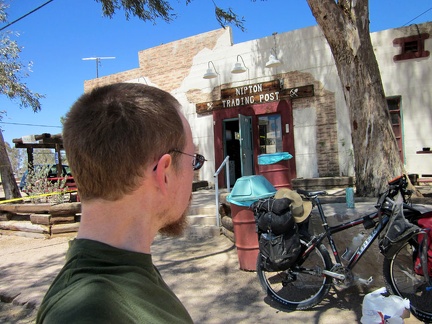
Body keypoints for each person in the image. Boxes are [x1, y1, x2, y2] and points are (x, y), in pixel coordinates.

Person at [36, 83, 206, 323]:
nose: (195, 173)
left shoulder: (125, 271)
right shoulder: (89, 313)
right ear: (164, 174)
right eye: (194, 161)